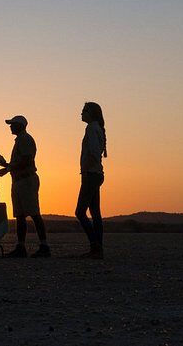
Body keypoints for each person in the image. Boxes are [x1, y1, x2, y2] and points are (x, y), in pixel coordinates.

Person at [0, 115, 49, 257]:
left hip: (26, 181)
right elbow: (20, 162)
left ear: (21, 126)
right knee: (20, 215)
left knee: (34, 214)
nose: (10, 126)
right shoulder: (21, 140)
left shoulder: (25, 139)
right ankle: (21, 247)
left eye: (13, 124)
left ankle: (44, 246)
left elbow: (27, 160)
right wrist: (6, 165)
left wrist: (7, 169)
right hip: (19, 181)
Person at [74, 101, 107, 259]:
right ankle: (97, 249)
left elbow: (93, 152)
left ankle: (95, 245)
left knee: (80, 212)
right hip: (96, 174)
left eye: (84, 111)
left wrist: (86, 170)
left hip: (92, 174)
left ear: (91, 113)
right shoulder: (96, 128)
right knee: (95, 212)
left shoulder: (91, 128)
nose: (81, 114)